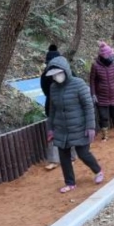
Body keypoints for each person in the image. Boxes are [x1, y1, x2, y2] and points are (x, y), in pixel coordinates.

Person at [45, 56, 104, 193]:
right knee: (64, 156)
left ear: (65, 71)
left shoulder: (79, 84)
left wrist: (90, 126)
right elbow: (52, 110)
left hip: (79, 126)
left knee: (83, 153)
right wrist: (50, 128)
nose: (56, 77)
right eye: (53, 75)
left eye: (58, 73)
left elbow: (88, 106)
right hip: (61, 127)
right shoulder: (53, 88)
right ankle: (70, 182)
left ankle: (98, 170)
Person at [40, 44, 75, 170]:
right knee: (54, 131)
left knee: (60, 130)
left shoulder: (46, 74)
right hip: (54, 106)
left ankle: (61, 158)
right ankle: (63, 158)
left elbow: (45, 91)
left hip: (60, 104)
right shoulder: (46, 75)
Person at [90, 41, 114, 141]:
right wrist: (93, 94)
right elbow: (92, 81)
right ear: (104, 56)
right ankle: (105, 135)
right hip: (101, 96)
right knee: (103, 116)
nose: (112, 57)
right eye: (109, 55)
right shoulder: (95, 66)